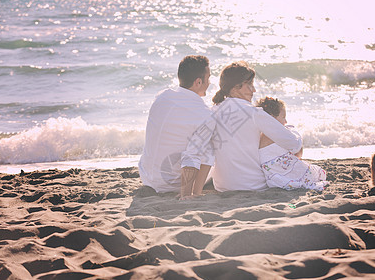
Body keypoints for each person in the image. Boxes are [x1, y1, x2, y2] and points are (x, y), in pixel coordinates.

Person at [210, 61, 303, 191]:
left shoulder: (212, 111)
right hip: (253, 185)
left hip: (222, 186)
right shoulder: (253, 112)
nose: (253, 90)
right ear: (236, 87)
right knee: (283, 135)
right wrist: (293, 130)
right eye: (249, 85)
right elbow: (293, 144)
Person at [138, 55, 214, 199]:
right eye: (208, 78)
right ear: (198, 82)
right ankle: (196, 192)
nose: (209, 83)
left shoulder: (161, 97)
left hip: (147, 178)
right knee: (212, 143)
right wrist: (187, 194)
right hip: (172, 184)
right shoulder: (205, 114)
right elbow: (193, 155)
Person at [256, 97, 328, 191]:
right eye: (283, 117)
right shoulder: (277, 133)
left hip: (274, 177)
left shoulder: (259, 135)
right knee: (315, 173)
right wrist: (294, 133)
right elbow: (297, 150)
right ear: (272, 118)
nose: (286, 121)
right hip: (285, 172)